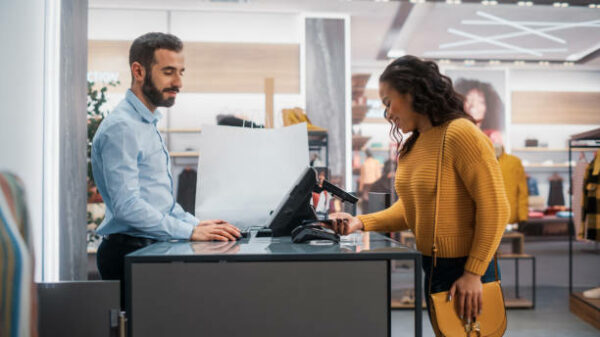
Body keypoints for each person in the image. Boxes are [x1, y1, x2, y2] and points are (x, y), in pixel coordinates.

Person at [329, 55, 509, 326]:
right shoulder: (414, 145)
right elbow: (411, 209)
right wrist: (359, 222)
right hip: (433, 263)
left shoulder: (461, 133)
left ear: (412, 92)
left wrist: (473, 272)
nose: (387, 113)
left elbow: (496, 208)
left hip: (467, 266)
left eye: (388, 102)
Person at [91, 33, 240, 300]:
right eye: (169, 72)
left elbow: (162, 204)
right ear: (138, 71)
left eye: (181, 72)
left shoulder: (146, 123)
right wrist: (190, 232)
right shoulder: (122, 127)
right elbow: (127, 206)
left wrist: (198, 224)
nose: (179, 82)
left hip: (148, 248)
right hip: (129, 252)